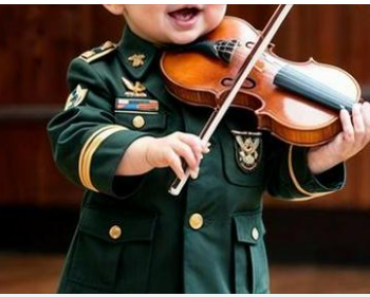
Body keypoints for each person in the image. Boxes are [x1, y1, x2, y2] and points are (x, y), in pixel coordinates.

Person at [47, 5, 370, 293]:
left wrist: (326, 155)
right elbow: (74, 140)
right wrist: (144, 150)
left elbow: (277, 176)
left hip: (226, 279)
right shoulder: (101, 72)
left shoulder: (248, 74)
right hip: (127, 276)